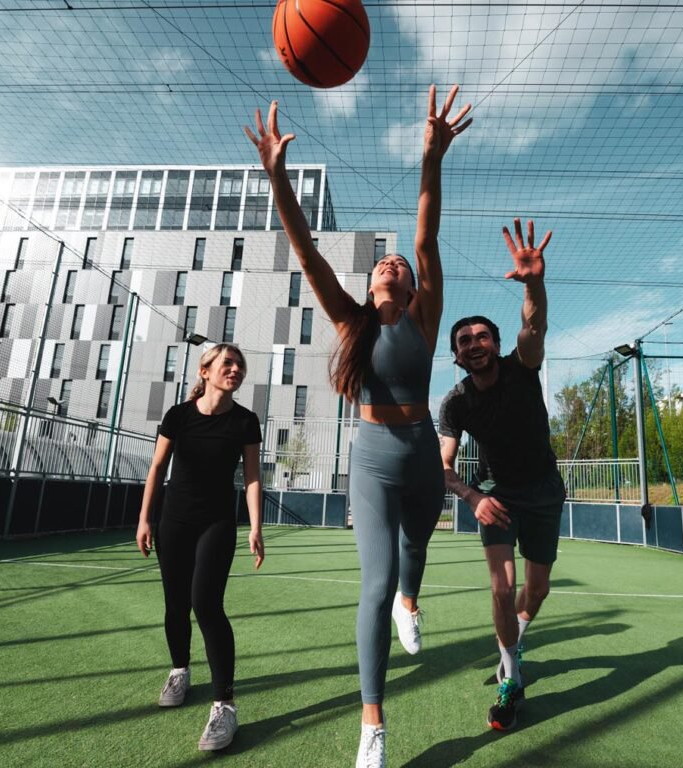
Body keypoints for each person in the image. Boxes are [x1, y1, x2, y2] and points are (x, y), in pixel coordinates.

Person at [245, 85, 471, 768]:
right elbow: (308, 253)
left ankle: (412, 601)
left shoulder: (427, 318)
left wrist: (431, 156)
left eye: (397, 265)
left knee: (416, 559)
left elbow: (425, 230)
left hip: (423, 455)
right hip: (372, 458)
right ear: (371, 283)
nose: (390, 264)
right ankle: (372, 724)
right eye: (381, 263)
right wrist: (279, 179)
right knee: (373, 585)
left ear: (409, 284)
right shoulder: (352, 322)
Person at [438, 219, 561, 732]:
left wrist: (533, 282)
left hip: (544, 490)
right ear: (456, 354)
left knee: (535, 591)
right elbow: (442, 467)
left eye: (482, 336)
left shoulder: (523, 366)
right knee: (500, 587)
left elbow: (533, 325)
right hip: (494, 494)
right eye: (464, 340)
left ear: (495, 343)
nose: (474, 343)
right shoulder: (456, 402)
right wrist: (469, 495)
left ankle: (518, 633)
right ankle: (511, 677)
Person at [136, 343, 266, 752]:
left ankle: (224, 704)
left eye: (239, 365)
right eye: (227, 363)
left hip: (217, 522)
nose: (235, 369)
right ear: (205, 371)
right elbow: (157, 467)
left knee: (206, 605)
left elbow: (251, 477)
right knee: (176, 604)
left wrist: (256, 526)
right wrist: (144, 518)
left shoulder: (246, 421)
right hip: (174, 521)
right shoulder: (178, 415)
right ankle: (180, 671)